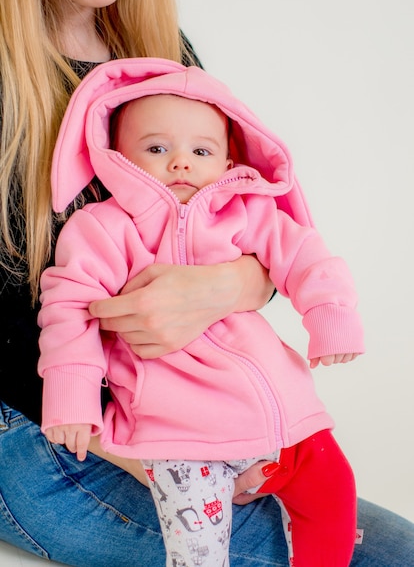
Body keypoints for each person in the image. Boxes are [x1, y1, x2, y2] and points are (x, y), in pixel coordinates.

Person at [0, 0, 413, 566]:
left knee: (370, 538)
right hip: (55, 427)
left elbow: (260, 232)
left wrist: (233, 287)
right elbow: (62, 311)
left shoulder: (160, 52)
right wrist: (161, 449)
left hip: (202, 400)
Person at [37, 57, 365, 567]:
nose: (181, 163)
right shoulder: (103, 229)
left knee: (335, 492)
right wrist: (72, 396)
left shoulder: (248, 214)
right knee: (198, 553)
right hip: (180, 435)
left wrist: (331, 314)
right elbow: (70, 309)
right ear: (116, 158)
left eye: (201, 150)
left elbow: (305, 255)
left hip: (281, 420)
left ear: (230, 161)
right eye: (157, 148)